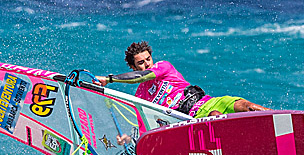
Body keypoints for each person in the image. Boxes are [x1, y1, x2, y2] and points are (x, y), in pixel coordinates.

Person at [97, 41, 267, 142]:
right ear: (133, 67)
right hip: (191, 119)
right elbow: (144, 127)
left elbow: (142, 76)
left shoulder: (163, 67)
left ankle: (279, 120)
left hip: (207, 101)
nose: (147, 64)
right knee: (215, 116)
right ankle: (247, 140)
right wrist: (129, 139)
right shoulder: (141, 96)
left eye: (148, 59)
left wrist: (110, 79)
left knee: (246, 106)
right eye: (141, 63)